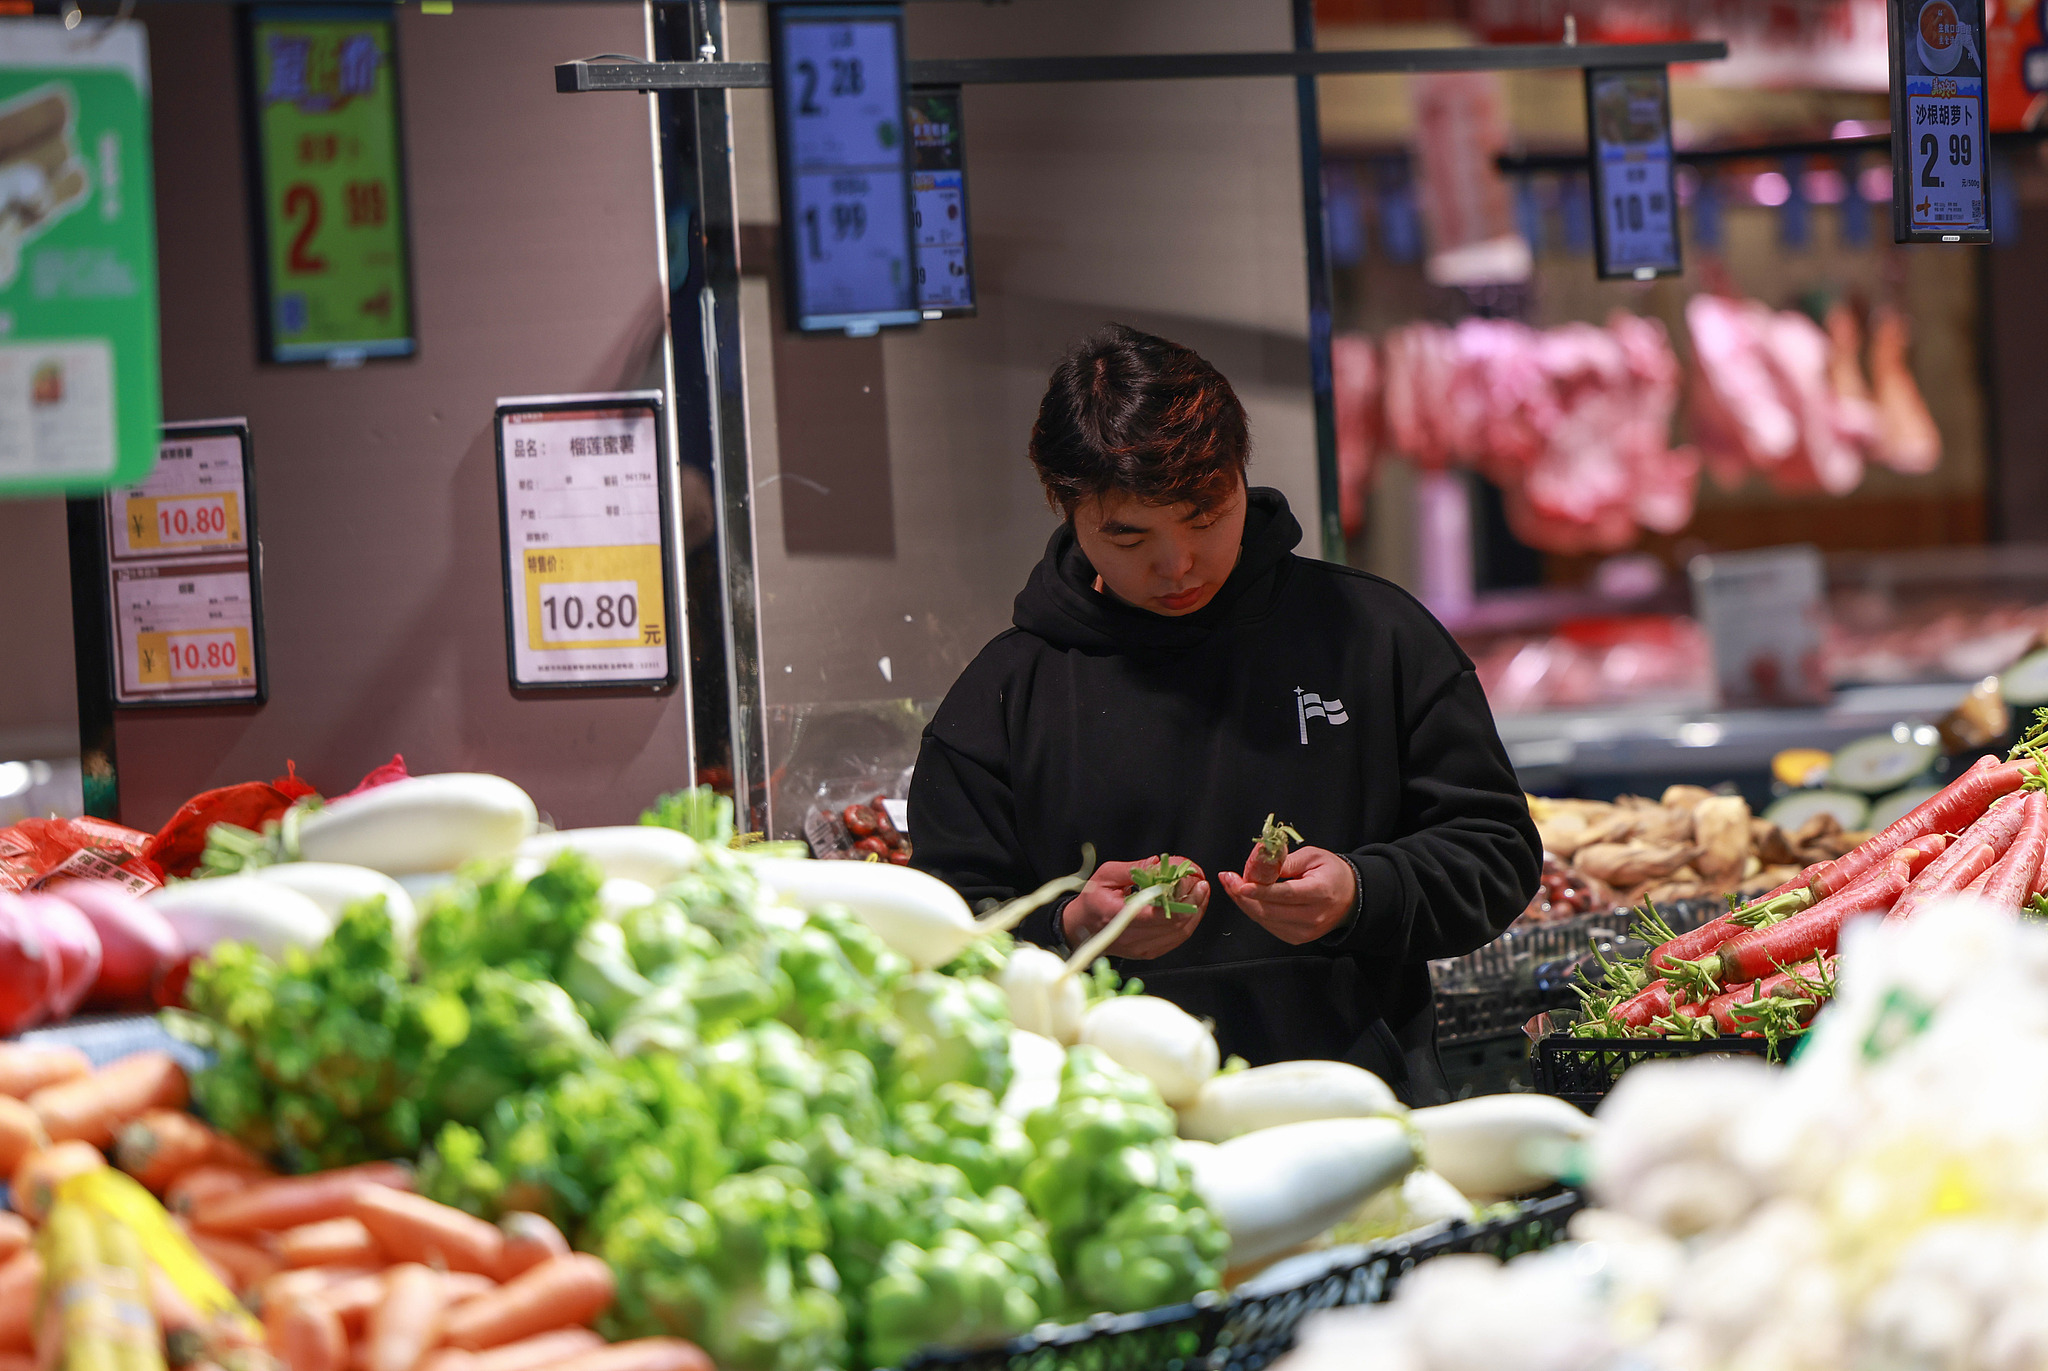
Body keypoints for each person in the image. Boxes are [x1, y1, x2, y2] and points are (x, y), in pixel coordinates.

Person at [907, 324, 1541, 1104]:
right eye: (1129, 535)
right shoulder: (1005, 697)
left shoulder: (1373, 635)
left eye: (1205, 515)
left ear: (1242, 472)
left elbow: (1496, 850)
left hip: (1358, 1102)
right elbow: (942, 931)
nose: (1177, 564)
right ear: (1065, 507)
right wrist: (1071, 927)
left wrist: (1362, 890)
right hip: (1102, 1122)